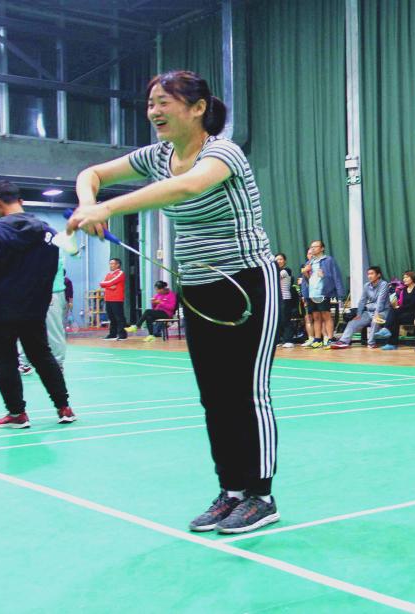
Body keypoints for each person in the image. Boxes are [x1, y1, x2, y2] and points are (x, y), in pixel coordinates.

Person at [69, 70, 279, 534]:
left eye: (165, 102)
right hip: (198, 288)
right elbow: (93, 173)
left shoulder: (222, 152)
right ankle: (232, 491)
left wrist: (108, 207)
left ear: (198, 108)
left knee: (247, 393)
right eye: (151, 103)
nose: (154, 111)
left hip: (247, 283)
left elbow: (186, 188)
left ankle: (261, 496)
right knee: (214, 395)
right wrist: (87, 201)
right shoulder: (158, 156)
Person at [0, 180, 76, 428]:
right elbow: (51, 270)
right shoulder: (48, 232)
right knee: (42, 356)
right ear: (20, 201)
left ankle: (17, 414)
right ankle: (64, 408)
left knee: (4, 361)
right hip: (33, 308)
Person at [19, 250, 68, 373]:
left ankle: (58, 364)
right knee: (27, 329)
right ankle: (24, 363)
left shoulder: (53, 247)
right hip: (31, 293)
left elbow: (50, 268)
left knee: (53, 330)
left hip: (52, 292)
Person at [330, 266, 389, 349]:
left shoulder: (384, 284)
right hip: (369, 312)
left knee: (375, 321)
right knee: (353, 322)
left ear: (378, 275)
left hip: (383, 312)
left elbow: (381, 301)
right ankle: (343, 341)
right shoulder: (366, 286)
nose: (369, 276)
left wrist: (377, 313)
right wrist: (359, 314)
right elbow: (362, 301)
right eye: (368, 274)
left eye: (372, 274)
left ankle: (371, 343)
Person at [301, 239, 344, 348]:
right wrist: (305, 273)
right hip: (312, 293)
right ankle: (317, 339)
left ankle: (330, 338)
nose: (313, 249)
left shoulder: (328, 260)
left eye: (315, 246)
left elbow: (336, 276)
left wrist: (339, 293)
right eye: (311, 247)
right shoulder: (309, 262)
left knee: (326, 316)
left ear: (322, 248)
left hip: (323, 292)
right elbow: (308, 280)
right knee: (315, 317)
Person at [374, 270, 415, 350]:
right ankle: (391, 343)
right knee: (394, 315)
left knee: (394, 314)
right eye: (404, 277)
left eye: (406, 277)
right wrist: (398, 307)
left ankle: (387, 332)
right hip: (408, 313)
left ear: (412, 278)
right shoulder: (405, 289)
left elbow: (413, 304)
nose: (404, 279)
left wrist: (400, 308)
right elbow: (404, 304)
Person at [273, 253, 299, 348]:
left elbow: (274, 278)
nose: (279, 261)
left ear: (284, 261)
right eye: (277, 259)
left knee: (285, 319)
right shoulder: (275, 270)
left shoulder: (286, 270)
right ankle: (281, 340)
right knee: (279, 320)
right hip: (277, 299)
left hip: (285, 298)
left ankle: (288, 340)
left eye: (281, 259)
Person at [100, 257, 127, 340]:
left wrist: (107, 285)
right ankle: (112, 334)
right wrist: (109, 286)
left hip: (117, 298)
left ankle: (122, 334)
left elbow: (110, 282)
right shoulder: (108, 274)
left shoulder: (120, 273)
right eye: (110, 264)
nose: (111, 265)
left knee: (119, 317)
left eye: (112, 263)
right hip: (108, 298)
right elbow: (101, 283)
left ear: (118, 265)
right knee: (111, 317)